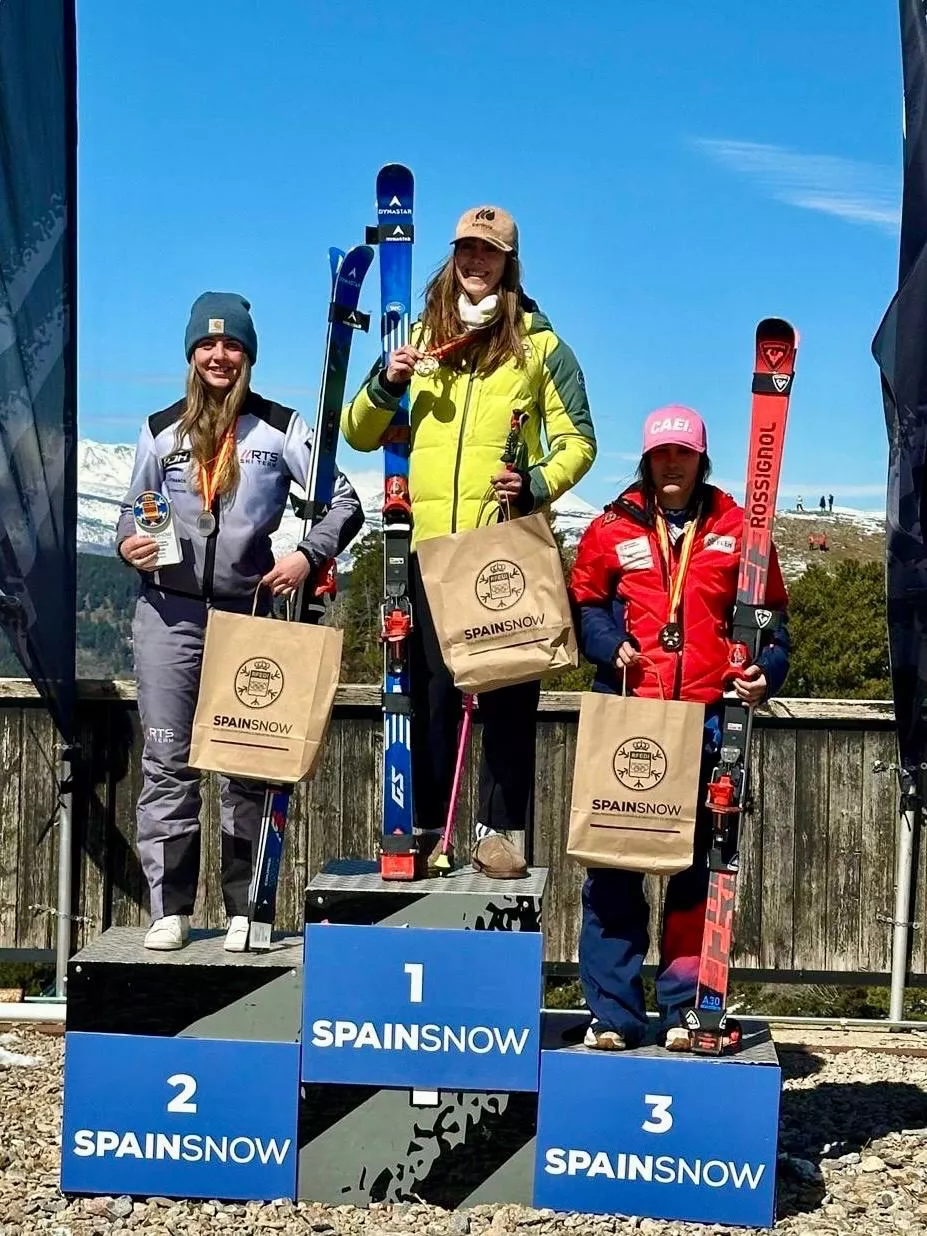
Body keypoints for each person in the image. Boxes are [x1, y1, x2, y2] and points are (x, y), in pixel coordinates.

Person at [343, 206, 596, 878]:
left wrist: (535, 480)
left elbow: (580, 442)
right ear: (452, 257)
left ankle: (498, 831)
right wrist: (385, 381)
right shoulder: (417, 337)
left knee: (508, 695)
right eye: (465, 251)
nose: (475, 263)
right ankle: (426, 826)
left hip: (500, 548)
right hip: (430, 548)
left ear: (509, 262)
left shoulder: (542, 345)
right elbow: (357, 431)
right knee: (432, 696)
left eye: (488, 252)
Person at [116, 292, 364, 951]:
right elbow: (135, 511)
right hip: (167, 614)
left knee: (246, 764)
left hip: (247, 614)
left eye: (232, 347)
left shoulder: (278, 428)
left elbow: (343, 501)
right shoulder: (160, 428)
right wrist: (127, 544)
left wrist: (307, 556)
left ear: (248, 356)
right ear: (191, 354)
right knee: (168, 760)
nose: (219, 356)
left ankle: (243, 907)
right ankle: (168, 908)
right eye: (207, 345)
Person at [568, 406, 790, 1050]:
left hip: (711, 719)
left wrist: (765, 672)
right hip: (632, 713)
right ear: (646, 459)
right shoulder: (610, 527)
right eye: (662, 453)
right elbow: (586, 606)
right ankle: (613, 1014)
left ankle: (685, 1011)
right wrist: (610, 646)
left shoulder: (738, 529)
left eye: (684, 453)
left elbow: (772, 620)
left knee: (701, 871)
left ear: (701, 459)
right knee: (613, 867)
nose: (672, 463)